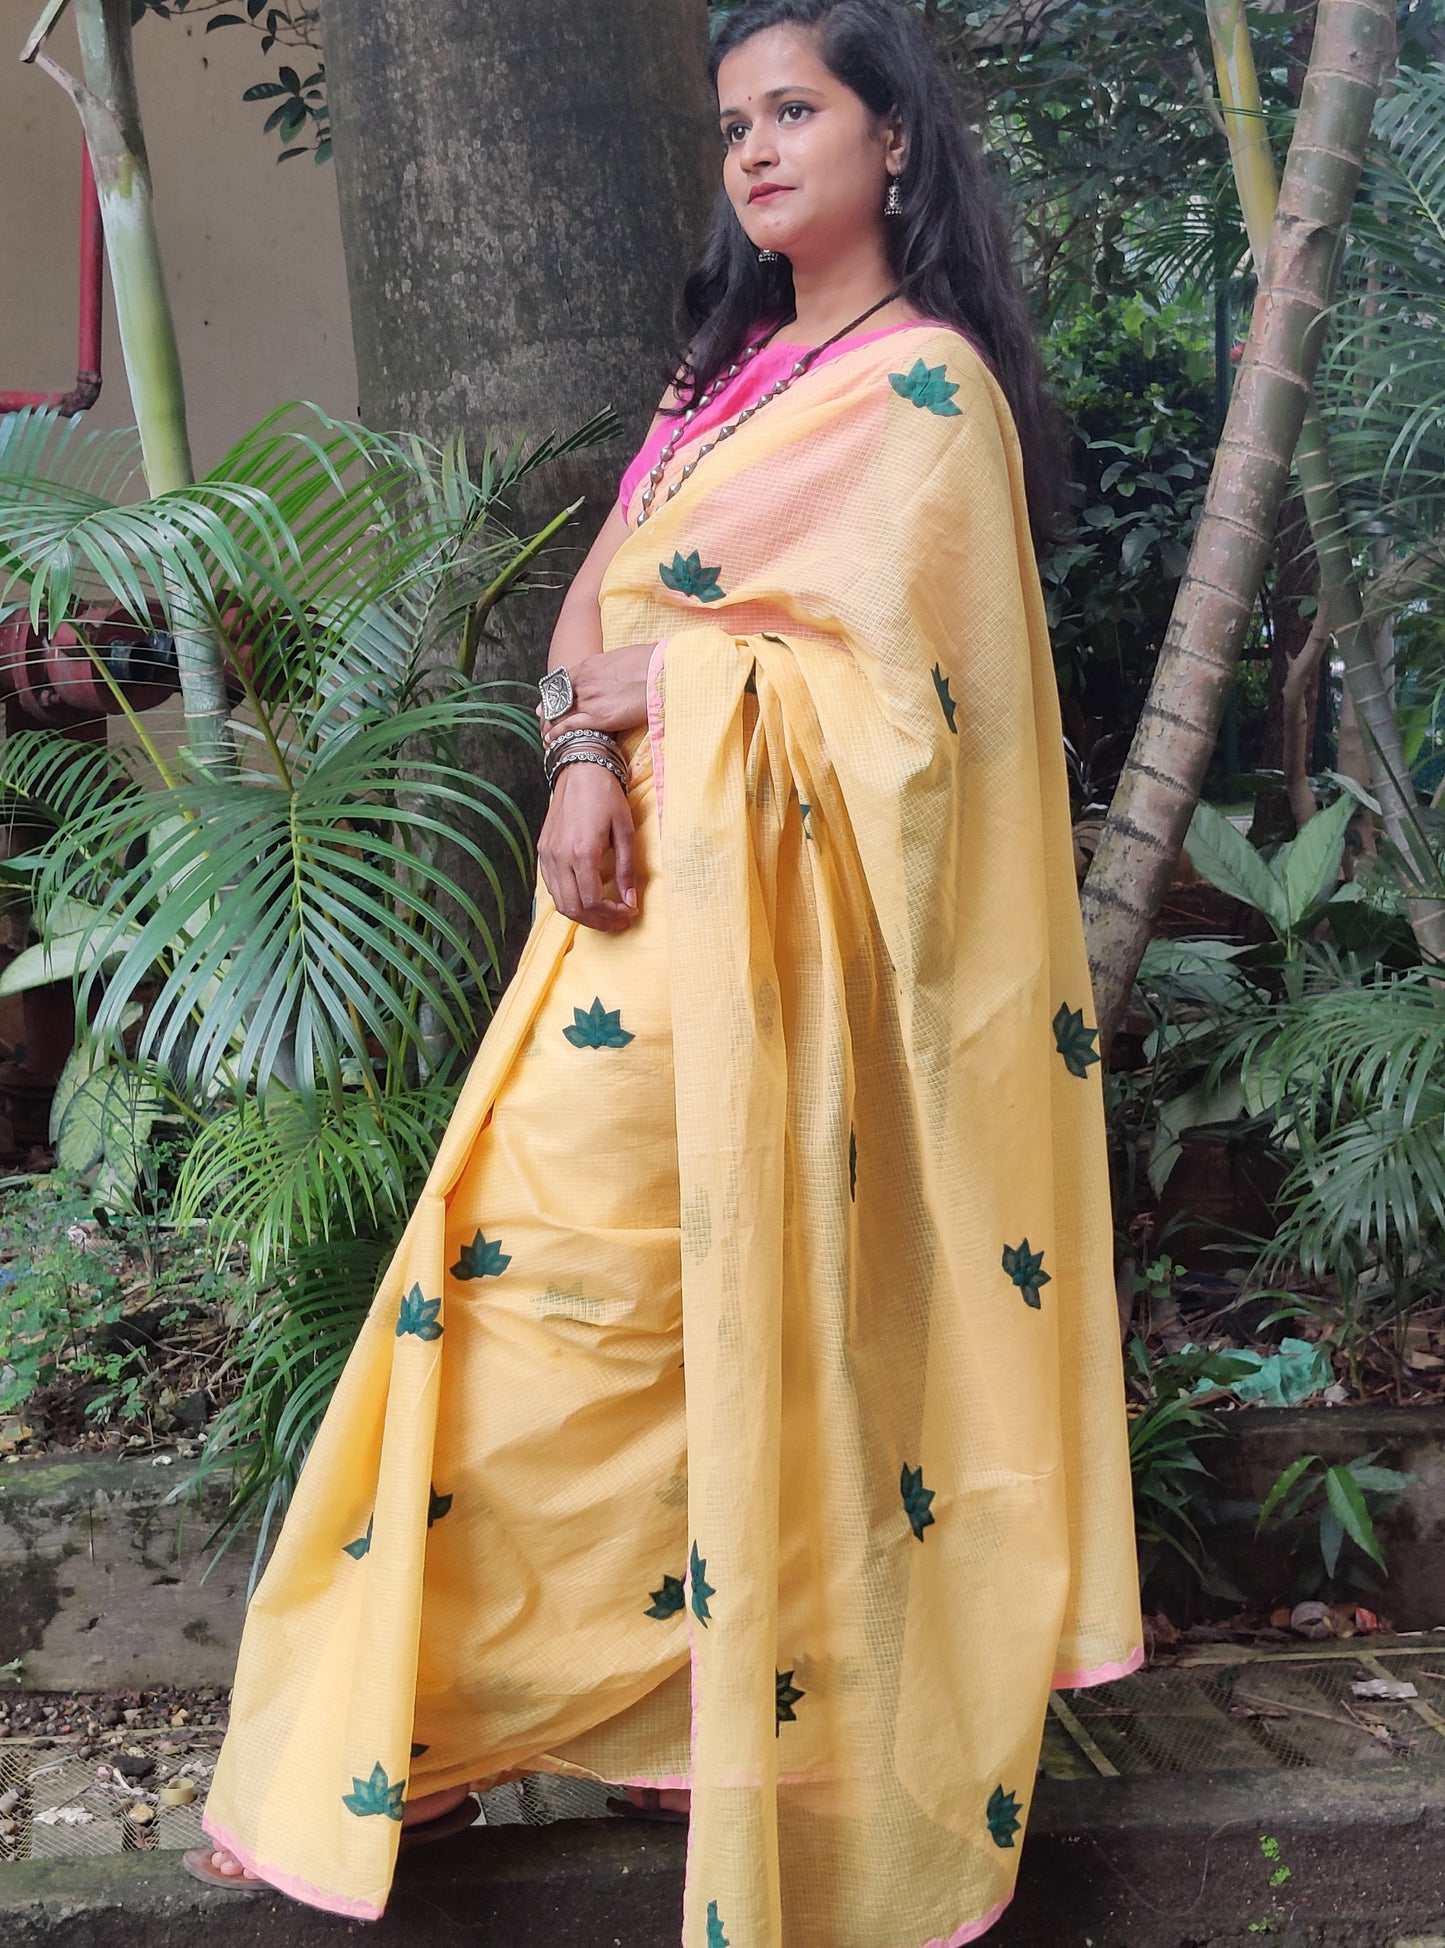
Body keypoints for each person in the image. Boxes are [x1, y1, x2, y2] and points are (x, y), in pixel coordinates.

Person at [188, 2, 1143, 1941]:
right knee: (527, 1286)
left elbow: (927, 718)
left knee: (678, 1313)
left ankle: (698, 1709)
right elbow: (594, 600)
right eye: (732, 125)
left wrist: (676, 686)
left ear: (893, 138)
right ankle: (438, 1717)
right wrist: (575, 753)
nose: (757, 150)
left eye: (796, 110)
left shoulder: (925, 391)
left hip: (780, 943)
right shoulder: (721, 377)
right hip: (626, 909)